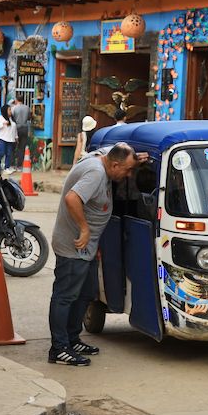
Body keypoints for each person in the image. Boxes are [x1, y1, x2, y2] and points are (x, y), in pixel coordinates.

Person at [48, 143, 145, 366]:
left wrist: (137, 158)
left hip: (87, 248)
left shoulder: (103, 157)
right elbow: (72, 199)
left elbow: (115, 148)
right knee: (65, 297)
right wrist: (84, 228)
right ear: (114, 164)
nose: (129, 174)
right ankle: (59, 348)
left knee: (86, 293)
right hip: (74, 245)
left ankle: (72, 339)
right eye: (127, 170)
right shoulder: (96, 172)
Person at [0, 104, 17, 172]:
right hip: (3, 138)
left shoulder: (12, 119)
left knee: (9, 153)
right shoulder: (0, 118)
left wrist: (16, 137)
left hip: (10, 139)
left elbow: (14, 128)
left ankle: (7, 167)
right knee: (2, 152)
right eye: (9, 110)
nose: (10, 111)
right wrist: (3, 124)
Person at [11, 97, 32, 168]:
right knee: (22, 147)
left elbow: (12, 118)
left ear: (16, 100)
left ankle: (12, 164)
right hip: (25, 128)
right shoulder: (27, 108)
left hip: (16, 128)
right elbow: (29, 117)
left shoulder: (14, 108)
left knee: (13, 146)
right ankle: (19, 165)